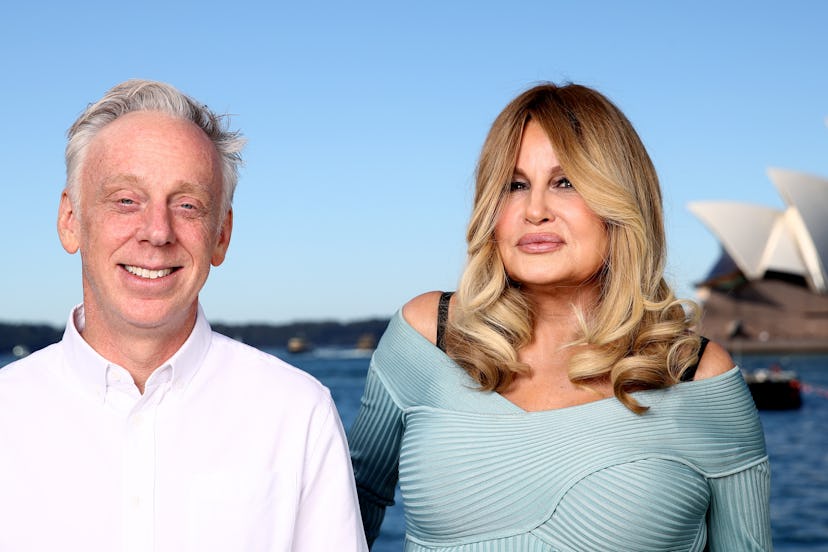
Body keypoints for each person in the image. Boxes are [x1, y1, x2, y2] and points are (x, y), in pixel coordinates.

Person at [348, 83, 772, 551]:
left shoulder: (699, 377)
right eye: (515, 185)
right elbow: (337, 523)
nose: (534, 211)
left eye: (565, 182)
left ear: (621, 204)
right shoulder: (425, 336)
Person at [0, 79, 367, 552]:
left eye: (188, 205)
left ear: (221, 235)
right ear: (70, 221)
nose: (157, 232)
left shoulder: (298, 416)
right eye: (126, 200)